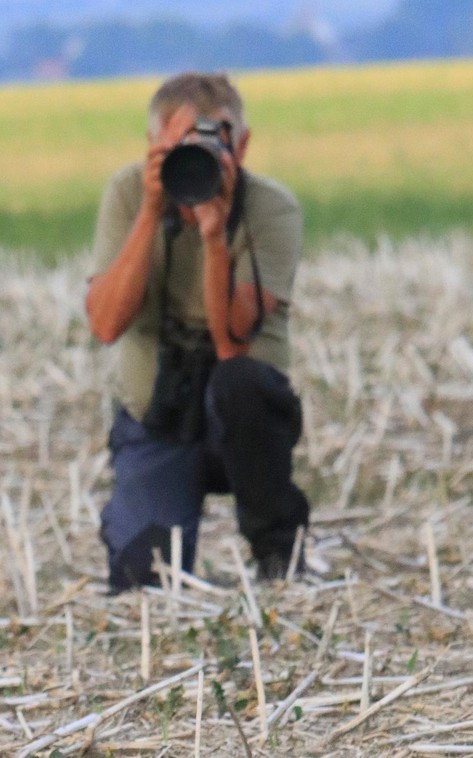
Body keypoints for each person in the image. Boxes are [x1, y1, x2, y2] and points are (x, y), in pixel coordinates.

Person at [86, 71, 310, 590]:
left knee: (243, 386)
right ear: (153, 146)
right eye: (182, 144)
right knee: (144, 580)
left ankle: (277, 550)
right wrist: (150, 211)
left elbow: (234, 344)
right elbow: (105, 322)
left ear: (243, 144)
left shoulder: (270, 209)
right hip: (157, 420)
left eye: (216, 139)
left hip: (241, 422)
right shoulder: (127, 194)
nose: (201, 158)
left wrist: (215, 237)